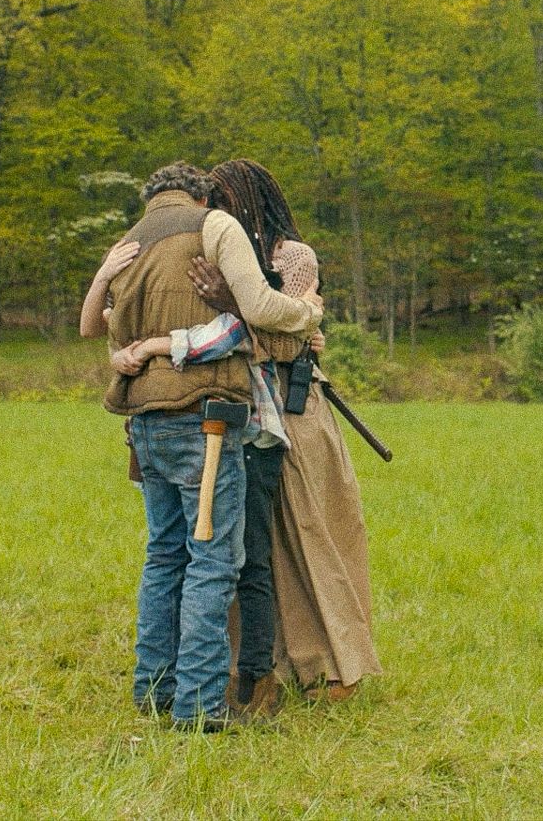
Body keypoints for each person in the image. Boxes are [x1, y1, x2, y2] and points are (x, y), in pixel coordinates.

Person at [90, 161, 322, 732]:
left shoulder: (131, 242)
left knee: (163, 556)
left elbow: (103, 330)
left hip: (144, 421)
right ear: (198, 195)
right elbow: (261, 313)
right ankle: (199, 707)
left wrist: (137, 349)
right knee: (213, 563)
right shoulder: (214, 226)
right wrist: (310, 312)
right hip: (206, 421)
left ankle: (153, 690)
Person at [188, 159, 383, 704]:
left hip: (295, 413)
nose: (213, 211)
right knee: (241, 545)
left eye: (221, 199)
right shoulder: (208, 256)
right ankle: (251, 668)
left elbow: (289, 344)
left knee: (311, 538)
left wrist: (239, 308)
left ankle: (332, 666)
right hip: (235, 411)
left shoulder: (291, 258)